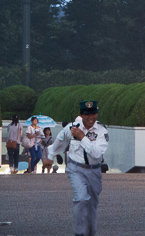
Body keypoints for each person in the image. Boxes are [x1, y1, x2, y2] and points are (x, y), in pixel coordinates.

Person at [48, 100, 109, 236]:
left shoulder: (102, 131)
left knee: (92, 205)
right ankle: (80, 233)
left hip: (94, 171)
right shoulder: (72, 127)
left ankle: (91, 233)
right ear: (81, 115)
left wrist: (82, 137)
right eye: (87, 114)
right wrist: (50, 156)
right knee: (81, 198)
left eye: (93, 113)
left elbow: (97, 153)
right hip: (76, 169)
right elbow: (60, 139)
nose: (91, 117)